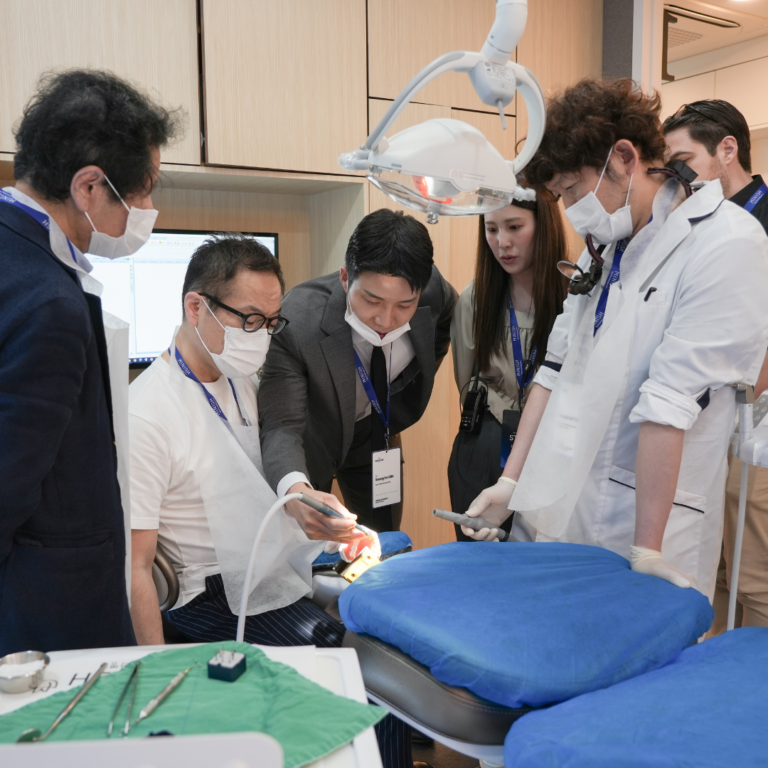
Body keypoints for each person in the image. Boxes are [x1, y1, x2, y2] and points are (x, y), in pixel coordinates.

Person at [462, 78, 768, 602]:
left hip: (649, 520)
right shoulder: (604, 246)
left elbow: (671, 401)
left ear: (624, 158)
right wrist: (512, 483)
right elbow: (555, 367)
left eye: (572, 190)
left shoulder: (727, 242)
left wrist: (647, 547)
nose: (569, 208)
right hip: (562, 498)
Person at [128, 234, 414, 768]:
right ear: (196, 307)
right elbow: (135, 567)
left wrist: (318, 513)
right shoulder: (147, 413)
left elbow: (259, 479)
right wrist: (158, 682)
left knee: (395, 618)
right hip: (212, 595)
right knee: (371, 670)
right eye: (250, 320)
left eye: (271, 322)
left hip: (267, 562)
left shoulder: (238, 381)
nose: (261, 337)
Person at [0, 69, 180, 656]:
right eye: (142, 192)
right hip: (48, 607)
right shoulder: (49, 302)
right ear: (89, 187)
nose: (147, 210)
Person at [258, 208, 458, 535]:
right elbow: (281, 424)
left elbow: (445, 322)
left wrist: (396, 397)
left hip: (375, 434)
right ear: (344, 278)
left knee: (384, 540)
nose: (385, 320)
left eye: (404, 305)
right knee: (307, 542)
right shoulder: (298, 320)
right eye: (372, 301)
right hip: (312, 438)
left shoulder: (434, 292)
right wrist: (295, 490)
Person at [664, 100, 768, 629]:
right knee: (715, 570)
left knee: (754, 576)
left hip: (753, 421)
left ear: (727, 149)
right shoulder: (696, 226)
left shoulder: (759, 225)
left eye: (684, 162)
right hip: (708, 419)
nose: (677, 178)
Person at [448, 183, 567, 540]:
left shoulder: (575, 296)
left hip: (553, 448)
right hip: (486, 444)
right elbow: (465, 379)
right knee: (478, 555)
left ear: (544, 226)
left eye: (514, 227)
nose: (502, 243)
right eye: (491, 229)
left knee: (541, 560)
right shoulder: (475, 298)